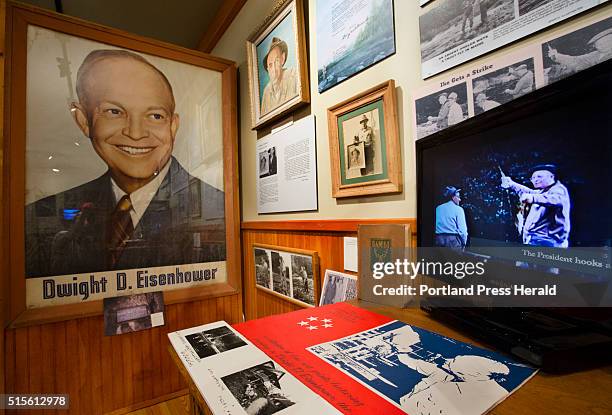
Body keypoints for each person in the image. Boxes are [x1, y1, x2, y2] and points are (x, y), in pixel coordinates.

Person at [25, 49, 225, 278]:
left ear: (173, 126)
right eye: (114, 111)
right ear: (83, 120)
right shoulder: (31, 224)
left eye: (155, 116)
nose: (136, 133)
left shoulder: (221, 210)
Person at [500, 164, 571, 247]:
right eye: (533, 178)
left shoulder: (559, 190)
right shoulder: (543, 192)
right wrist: (511, 184)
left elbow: (552, 199)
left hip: (548, 243)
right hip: (536, 240)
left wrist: (532, 198)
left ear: (552, 176)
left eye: (539, 177)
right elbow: (529, 192)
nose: (535, 180)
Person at [547, 28, 612, 76]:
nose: (602, 46)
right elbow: (577, 60)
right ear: (595, 46)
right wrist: (557, 56)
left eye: (606, 41)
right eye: (598, 44)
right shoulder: (595, 54)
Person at [260, 37, 299, 115]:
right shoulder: (266, 92)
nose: (274, 69)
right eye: (270, 65)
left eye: (276, 61)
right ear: (267, 69)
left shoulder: (294, 75)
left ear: (282, 59)